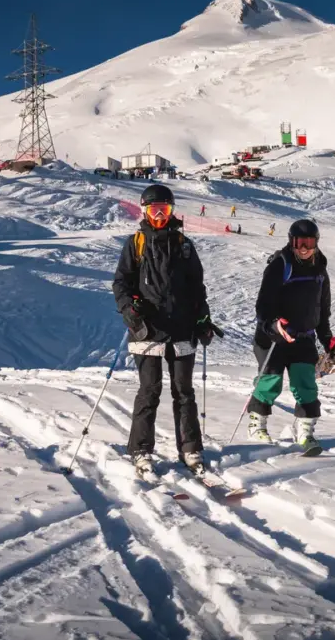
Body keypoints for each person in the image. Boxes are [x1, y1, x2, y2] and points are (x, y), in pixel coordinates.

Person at [112, 184, 215, 475]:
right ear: (144, 211)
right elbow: (121, 283)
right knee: (150, 390)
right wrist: (129, 309)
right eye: (154, 210)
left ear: (172, 211)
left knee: (184, 392)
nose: (159, 216)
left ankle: (191, 448)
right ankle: (141, 450)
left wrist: (203, 319)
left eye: (165, 210)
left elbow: (197, 288)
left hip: (182, 329)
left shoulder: (184, 245)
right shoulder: (136, 244)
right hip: (147, 329)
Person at [245, 219, 335, 451]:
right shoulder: (280, 265)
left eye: (309, 243)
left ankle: (305, 432)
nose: (304, 248)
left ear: (316, 243)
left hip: (303, 337)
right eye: (299, 243)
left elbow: (322, 310)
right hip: (274, 337)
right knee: (271, 381)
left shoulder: (320, 271)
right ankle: (257, 425)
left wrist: (327, 339)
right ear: (291, 242)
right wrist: (274, 325)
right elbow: (263, 306)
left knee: (305, 383)